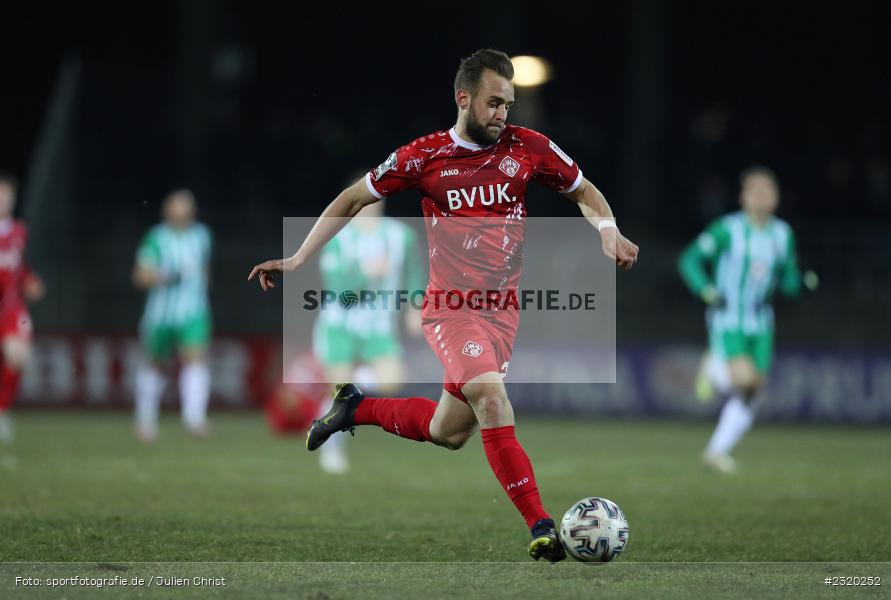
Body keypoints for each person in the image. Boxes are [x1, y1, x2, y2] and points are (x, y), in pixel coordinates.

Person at [248, 49, 638, 561]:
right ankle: (540, 524)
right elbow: (352, 199)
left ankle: (356, 408)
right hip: (451, 308)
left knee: (448, 431)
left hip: (503, 314)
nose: (503, 114)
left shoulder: (530, 148)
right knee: (491, 398)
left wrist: (607, 229)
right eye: (494, 103)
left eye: (508, 104)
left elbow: (585, 192)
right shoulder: (424, 156)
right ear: (464, 98)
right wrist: (299, 258)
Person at [679, 167, 816, 474]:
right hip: (729, 317)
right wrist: (705, 289)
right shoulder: (727, 230)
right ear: (743, 197)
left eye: (768, 191)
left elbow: (787, 280)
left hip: (762, 323)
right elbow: (689, 260)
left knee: (754, 389)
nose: (762, 197)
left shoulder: (783, 234)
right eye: (756, 191)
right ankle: (713, 367)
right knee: (743, 380)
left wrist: (802, 285)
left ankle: (716, 452)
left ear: (777, 198)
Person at [312, 199, 424, 474]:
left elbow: (415, 271)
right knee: (337, 389)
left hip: (378, 325)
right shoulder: (336, 239)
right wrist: (365, 273)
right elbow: (337, 288)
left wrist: (415, 306)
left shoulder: (400, 235)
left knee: (392, 381)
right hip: (339, 324)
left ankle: (349, 392)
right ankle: (331, 450)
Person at [133, 189, 212, 442]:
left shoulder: (202, 236)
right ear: (167, 210)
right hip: (161, 314)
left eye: (188, 206)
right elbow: (140, 276)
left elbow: (205, 270)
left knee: (196, 358)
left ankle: (194, 418)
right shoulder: (156, 238)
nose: (184, 211)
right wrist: (165, 275)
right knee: (155, 364)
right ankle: (146, 420)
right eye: (178, 206)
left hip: (194, 311)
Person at [0, 171, 45, 444]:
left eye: (7, 196)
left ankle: (2, 411)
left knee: (18, 357)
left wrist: (30, 280)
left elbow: (20, 266)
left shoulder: (19, 230)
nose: (3, 200)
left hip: (12, 307)